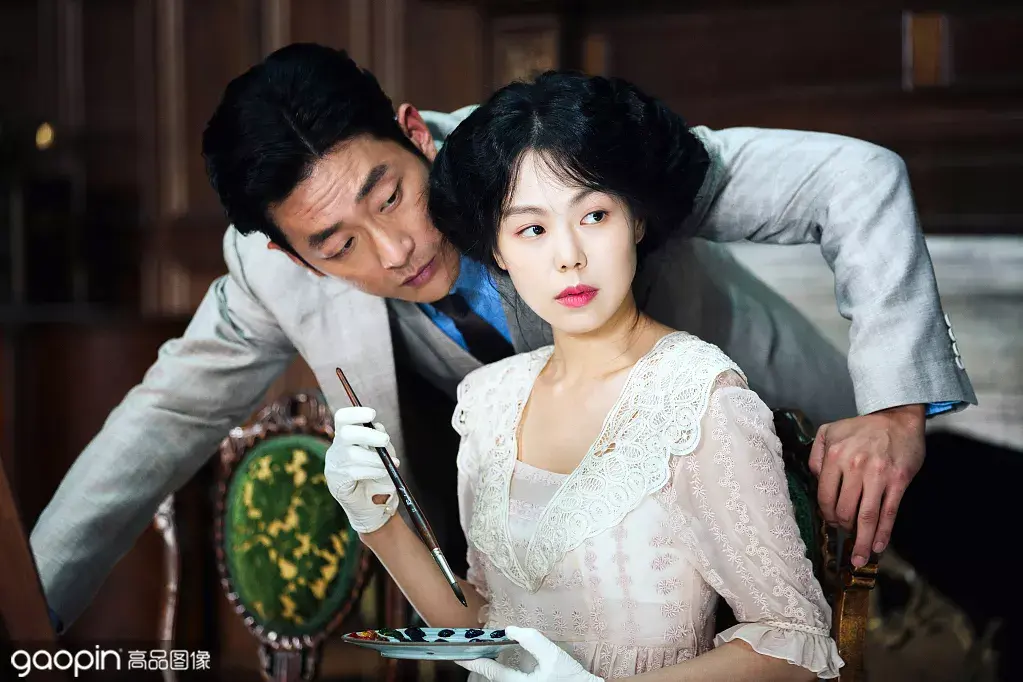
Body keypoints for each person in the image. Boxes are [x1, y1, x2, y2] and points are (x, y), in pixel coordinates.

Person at [29, 43, 974, 633]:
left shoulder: (556, 149)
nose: (393, 250)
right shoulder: (269, 270)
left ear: (416, 134)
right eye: (335, 244)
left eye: (389, 195)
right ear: (288, 252)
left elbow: (852, 178)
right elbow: (157, 426)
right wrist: (26, 620)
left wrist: (895, 409)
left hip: (814, 453)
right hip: (600, 585)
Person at [325, 71, 845, 680]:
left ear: (637, 221)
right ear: (496, 251)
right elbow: (485, 623)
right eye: (532, 229)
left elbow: (794, 644)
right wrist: (379, 522)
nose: (568, 255)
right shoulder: (488, 401)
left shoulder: (701, 399)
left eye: (594, 215)